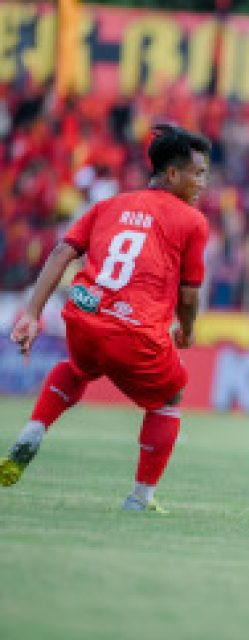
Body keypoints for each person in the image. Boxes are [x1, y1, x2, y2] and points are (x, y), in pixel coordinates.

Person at [1, 123, 211, 513]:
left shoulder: (107, 206)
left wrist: (31, 313)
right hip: (135, 331)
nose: (202, 183)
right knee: (170, 396)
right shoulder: (191, 221)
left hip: (83, 315)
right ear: (171, 173)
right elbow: (190, 292)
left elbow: (62, 252)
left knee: (78, 368)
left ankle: (35, 428)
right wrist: (187, 327)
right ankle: (140, 497)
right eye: (197, 173)